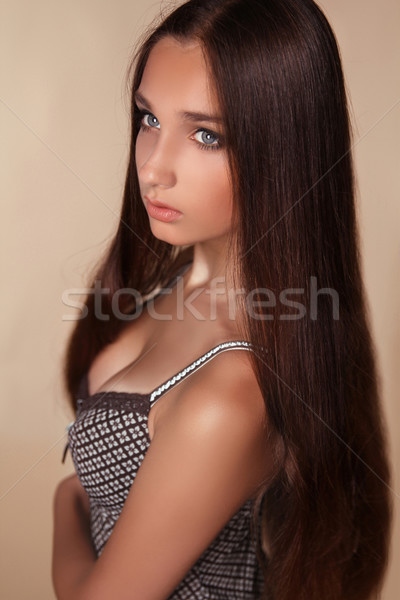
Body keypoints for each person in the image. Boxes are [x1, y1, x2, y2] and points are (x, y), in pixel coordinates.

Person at [52, 1, 392, 598]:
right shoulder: (171, 282)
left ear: (285, 153)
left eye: (206, 135)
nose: (155, 168)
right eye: (149, 119)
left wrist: (64, 500)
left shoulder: (232, 390)